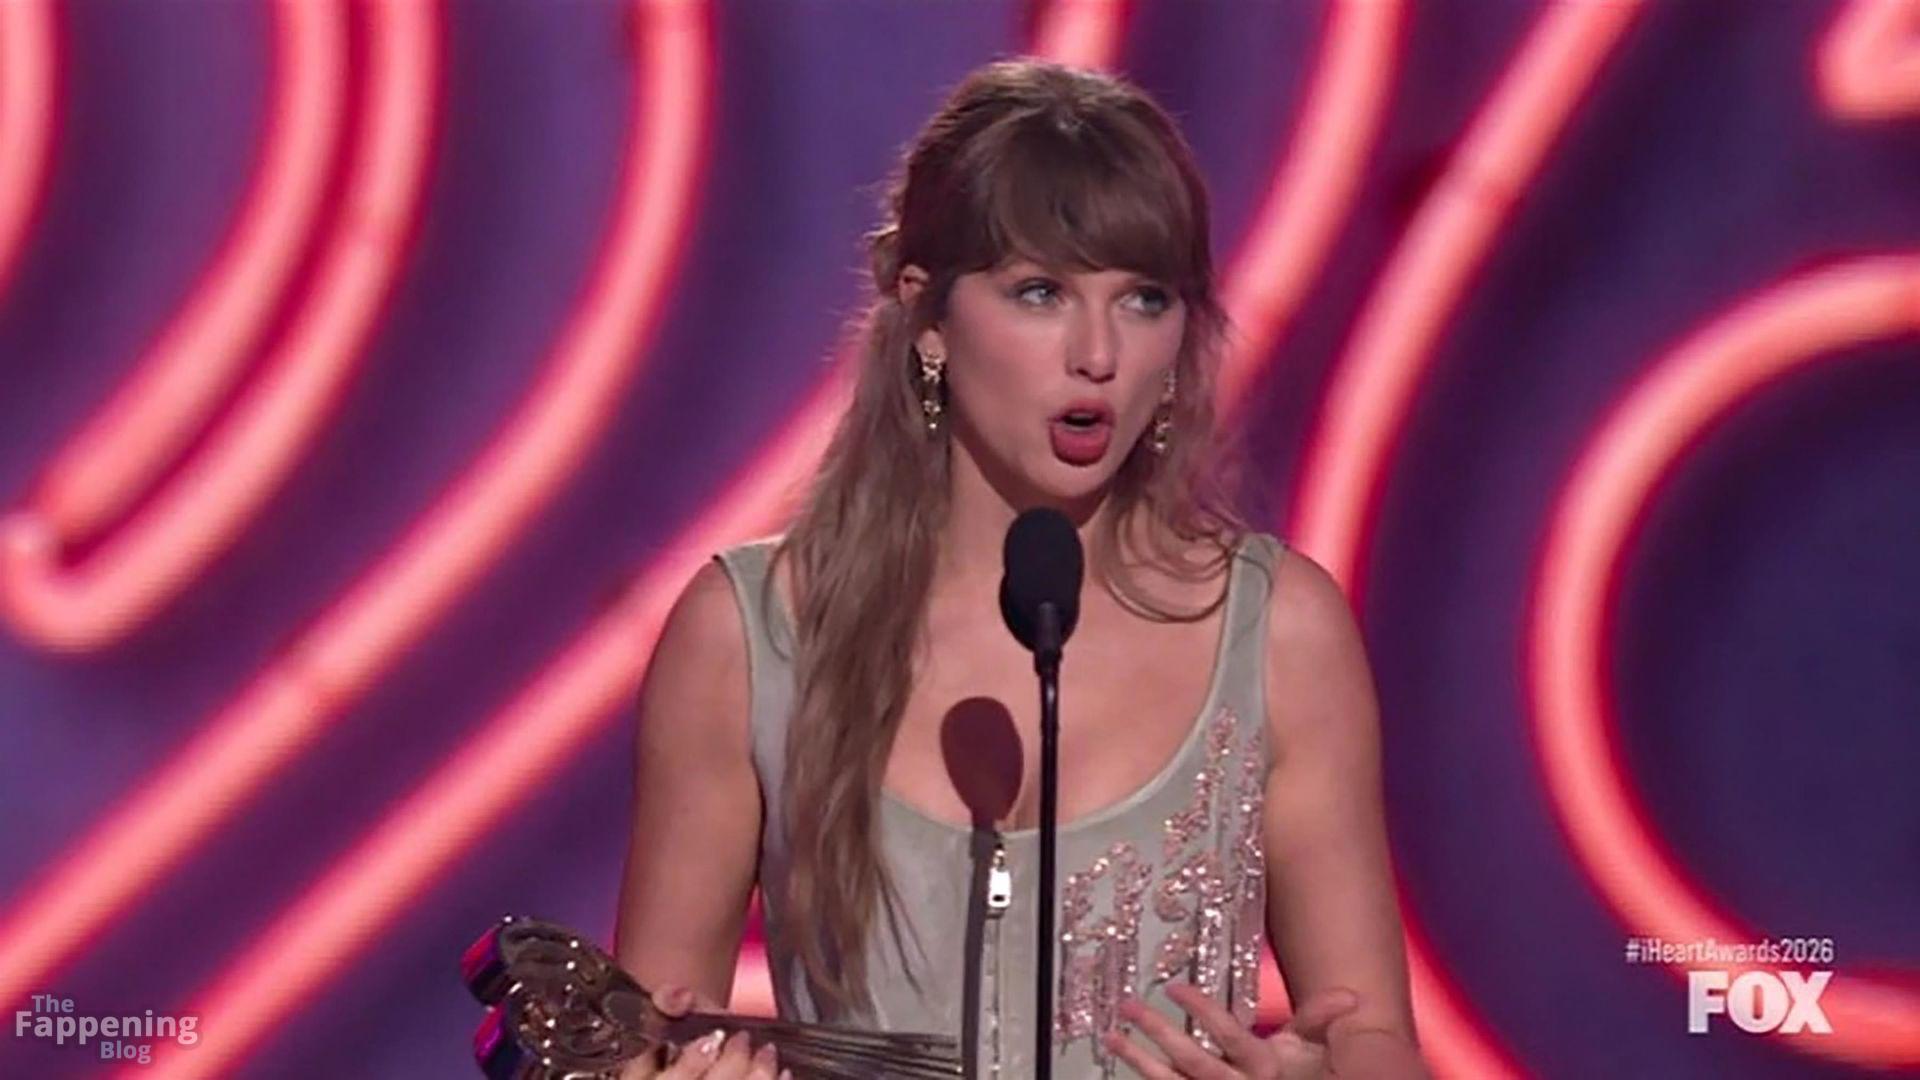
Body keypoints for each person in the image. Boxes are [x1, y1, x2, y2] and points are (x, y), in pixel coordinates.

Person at [612, 56, 1426, 1079]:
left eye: (1144, 300)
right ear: (929, 320)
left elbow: (1373, 1035)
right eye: (1041, 293)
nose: (1099, 354)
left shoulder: (1278, 632)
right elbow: (642, 1035)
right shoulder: (754, 637)